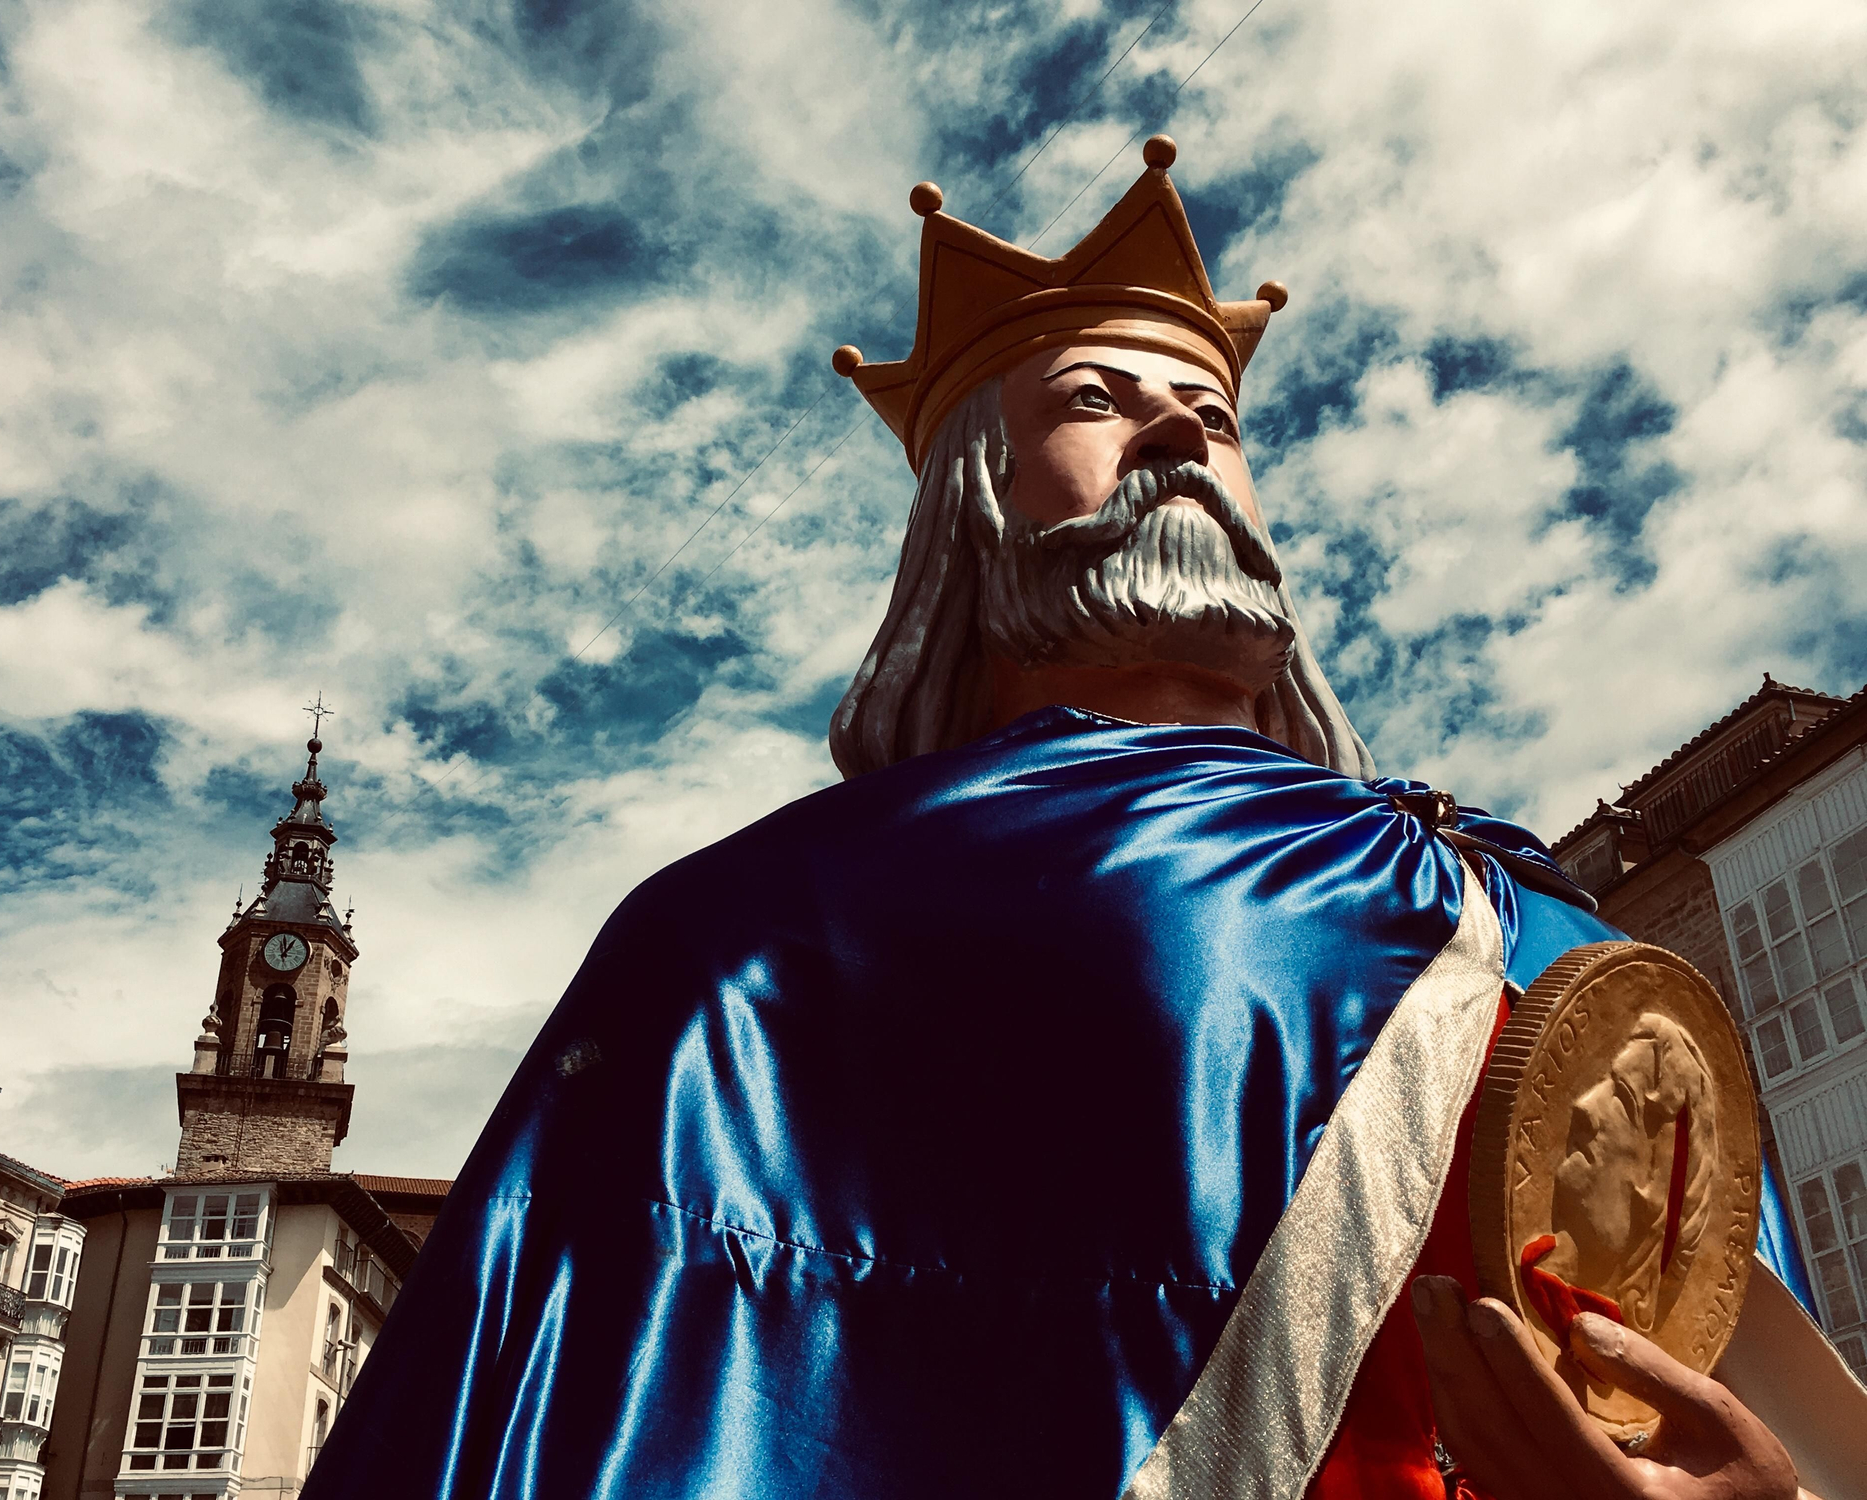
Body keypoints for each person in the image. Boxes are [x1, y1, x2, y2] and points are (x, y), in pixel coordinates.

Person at [305, 138, 1857, 1499]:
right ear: (973, 506)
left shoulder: (1520, 908)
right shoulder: (762, 937)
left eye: (1211, 414)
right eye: (1099, 402)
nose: (1180, 436)